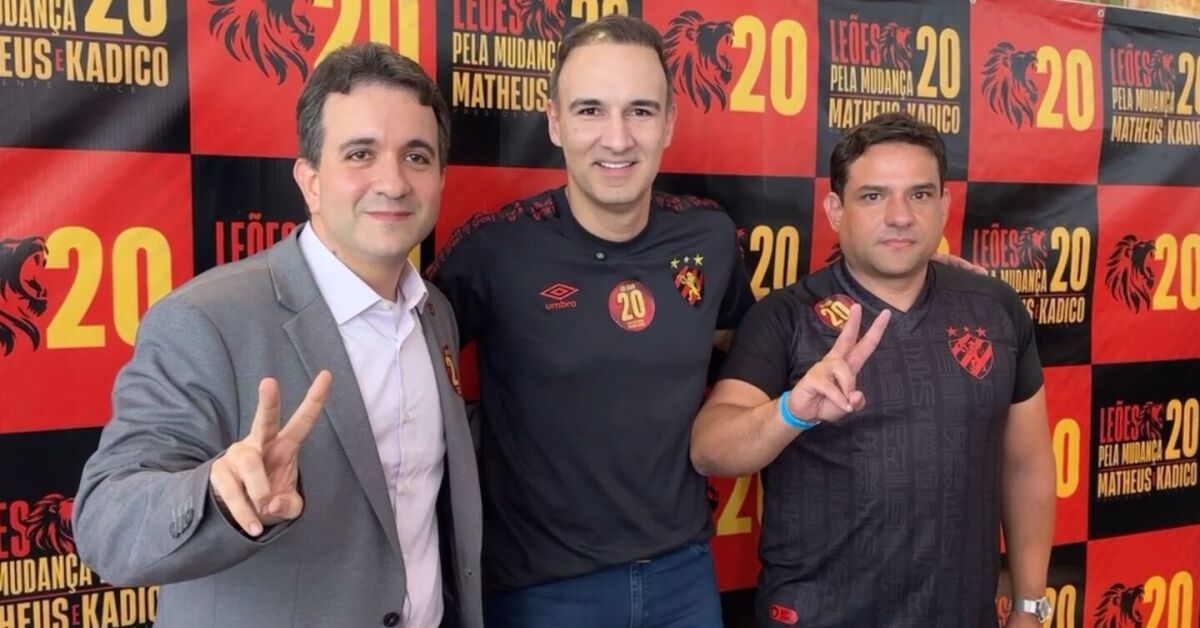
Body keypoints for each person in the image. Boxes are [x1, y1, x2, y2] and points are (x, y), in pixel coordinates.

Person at [73, 43, 483, 628]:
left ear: (440, 178)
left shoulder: (434, 311)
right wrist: (218, 496)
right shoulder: (204, 319)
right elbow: (104, 526)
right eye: (360, 154)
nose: (393, 182)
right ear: (310, 181)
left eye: (416, 156)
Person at [427, 15, 751, 628]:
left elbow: (751, 344)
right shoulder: (495, 249)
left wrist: (900, 281)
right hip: (540, 592)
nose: (617, 138)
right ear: (555, 122)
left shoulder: (709, 236)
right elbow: (396, 355)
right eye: (591, 110)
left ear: (669, 123)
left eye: (640, 111)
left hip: (684, 578)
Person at [690, 111, 1056, 628]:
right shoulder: (784, 317)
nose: (900, 216)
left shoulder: (995, 308)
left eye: (920, 194)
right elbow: (709, 447)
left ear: (944, 205)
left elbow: (1026, 465)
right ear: (836, 210)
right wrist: (791, 412)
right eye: (873, 195)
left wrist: (1028, 605)